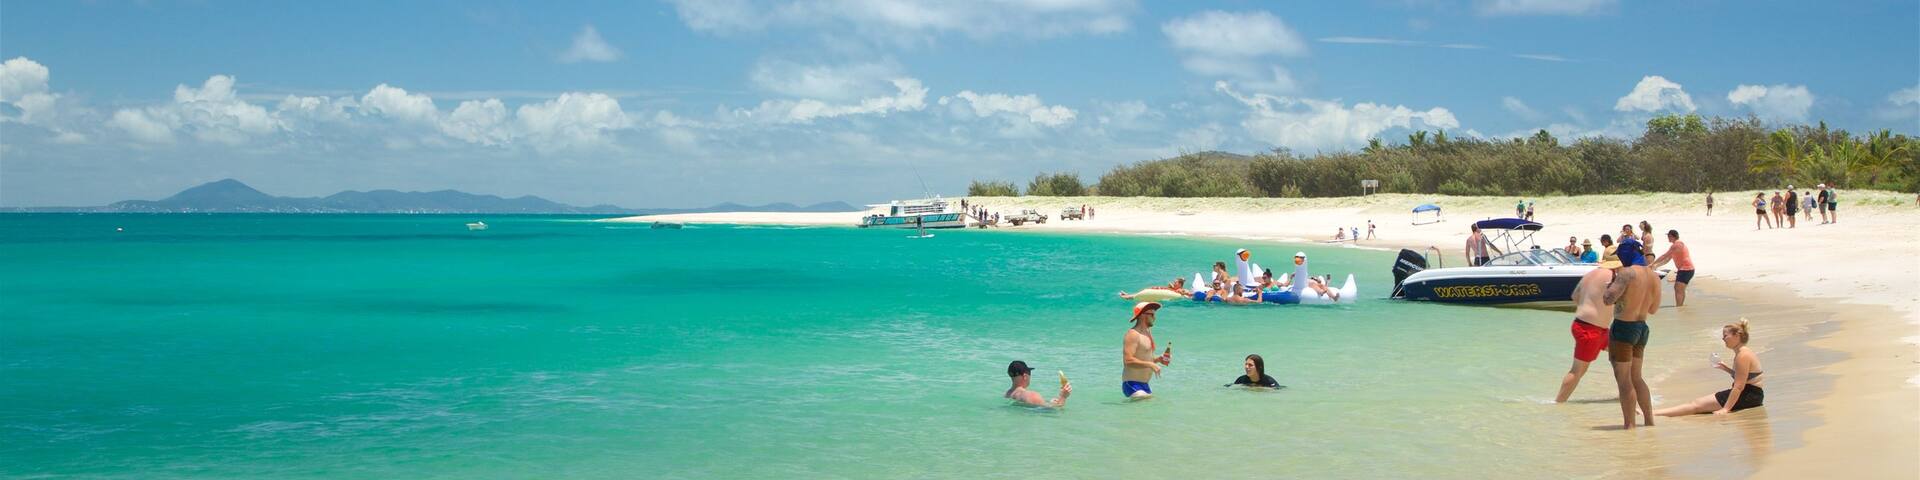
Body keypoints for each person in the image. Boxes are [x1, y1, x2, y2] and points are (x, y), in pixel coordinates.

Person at [1604, 237, 1662, 429]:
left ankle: (1629, 426)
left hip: (1624, 327)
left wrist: (1610, 287)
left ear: (1626, 254)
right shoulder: (1653, 276)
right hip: (1642, 327)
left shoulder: (1627, 273)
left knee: (1624, 379)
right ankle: (1649, 421)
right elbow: (1653, 309)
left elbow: (1608, 299)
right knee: (1637, 377)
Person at [1656, 319, 1765, 416]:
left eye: (1725, 335)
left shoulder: (1742, 355)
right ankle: (1655, 413)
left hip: (1748, 395)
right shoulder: (1743, 352)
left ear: (1737, 335)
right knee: (1697, 404)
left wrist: (1726, 409)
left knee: (1696, 405)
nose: (1723, 339)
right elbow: (1745, 377)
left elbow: (1739, 387)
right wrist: (1725, 368)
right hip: (1752, 395)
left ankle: (1654, 413)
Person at [1557, 247, 1619, 403]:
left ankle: (1625, 394)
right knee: (1578, 370)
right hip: (1590, 329)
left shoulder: (1590, 274)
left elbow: (1575, 296)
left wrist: (1591, 305)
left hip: (1590, 326)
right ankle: (1559, 402)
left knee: (1621, 356)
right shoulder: (1613, 276)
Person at [1122, 302, 1171, 399]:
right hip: (1132, 384)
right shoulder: (1133, 334)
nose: (1155, 318)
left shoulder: (1147, 333)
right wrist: (1151, 365)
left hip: (1145, 385)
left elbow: (1144, 358)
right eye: (1152, 314)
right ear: (1142, 316)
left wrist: (1158, 359)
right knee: (1144, 402)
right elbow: (1128, 361)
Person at [1649, 229, 1696, 307]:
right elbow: (1667, 259)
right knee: (1679, 289)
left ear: (1672, 236)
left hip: (1686, 269)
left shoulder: (1677, 245)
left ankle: (1679, 307)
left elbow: (1665, 255)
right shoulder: (1676, 246)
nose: (1668, 238)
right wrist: (1656, 265)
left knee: (1678, 288)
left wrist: (1652, 263)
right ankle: (1681, 306)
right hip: (1686, 269)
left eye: (1668, 236)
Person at [1005, 360, 1071, 408]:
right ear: (1025, 376)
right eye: (1029, 373)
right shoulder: (1031, 395)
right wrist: (1063, 397)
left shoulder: (1008, 394)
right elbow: (1053, 412)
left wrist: (1049, 403)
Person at [1118, 278, 1188, 299]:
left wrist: (1187, 294)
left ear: (1180, 284)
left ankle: (1127, 296)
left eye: (1175, 282)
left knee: (1142, 294)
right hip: (1160, 290)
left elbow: (1185, 292)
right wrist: (1171, 287)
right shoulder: (1175, 288)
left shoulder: (1180, 289)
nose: (1174, 283)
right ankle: (1128, 295)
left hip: (1162, 292)